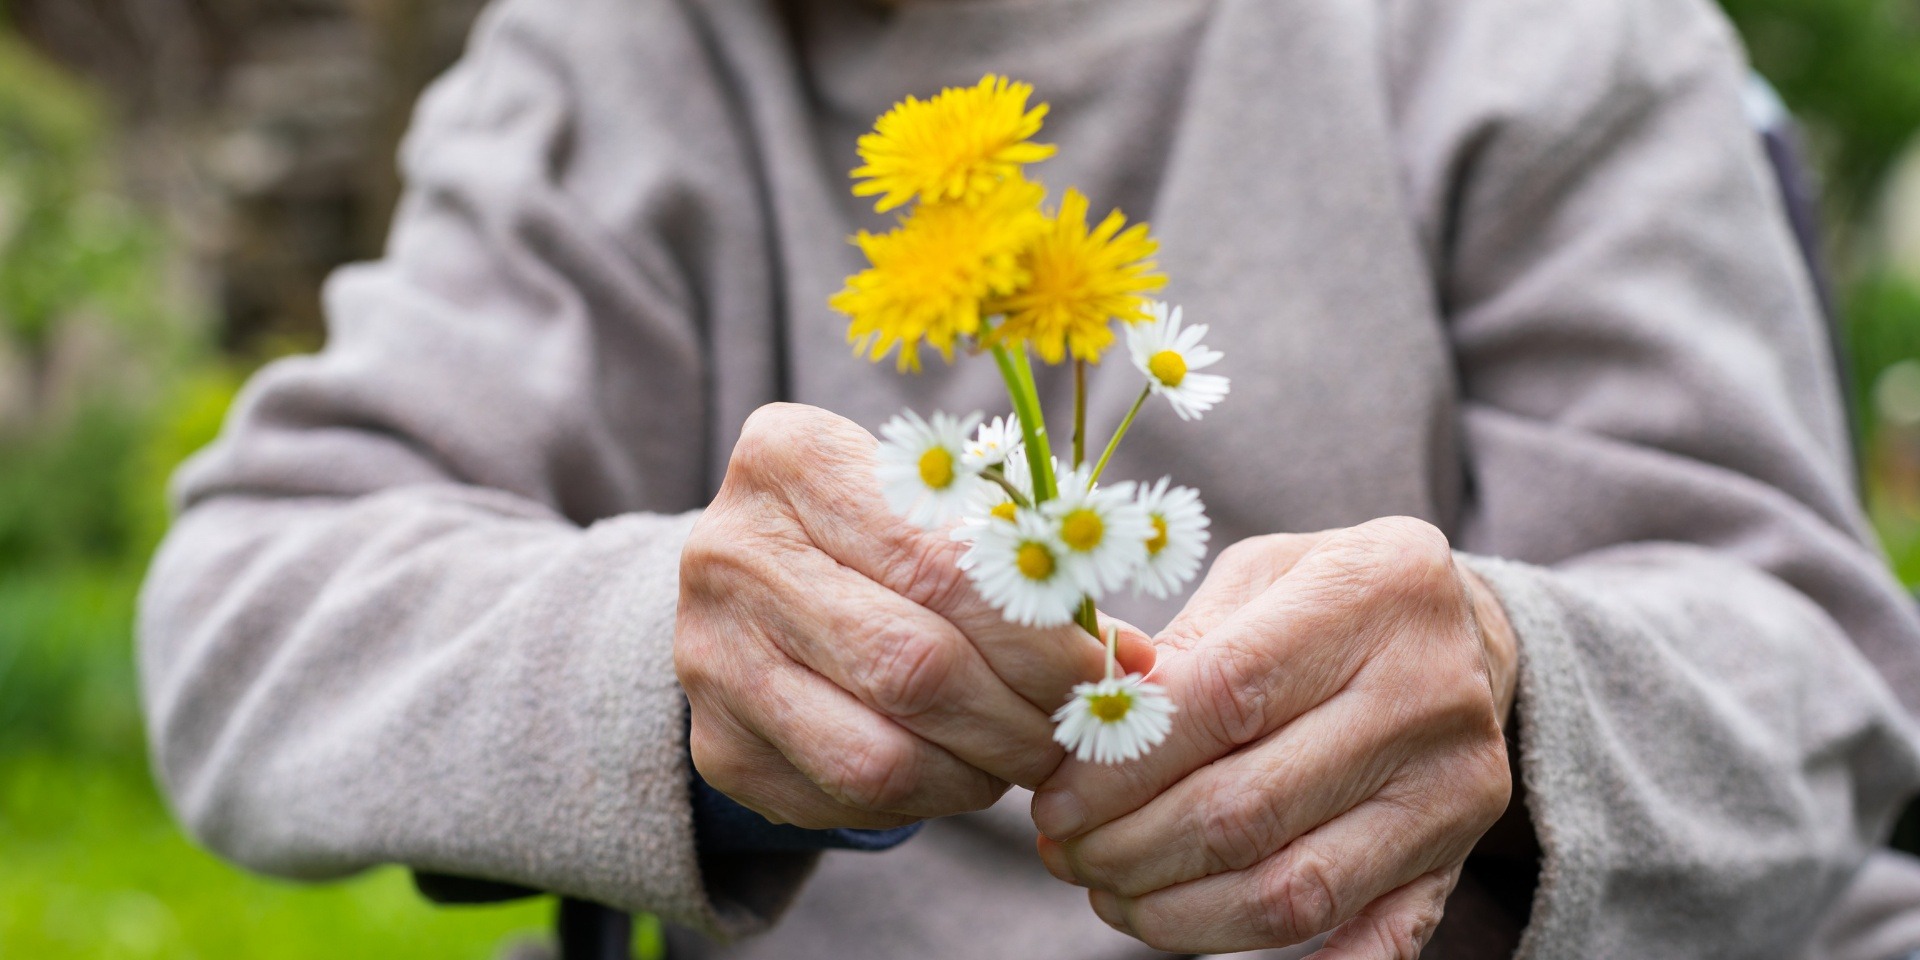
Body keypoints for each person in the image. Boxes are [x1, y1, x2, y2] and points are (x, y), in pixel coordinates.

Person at [136, 0, 1920, 956]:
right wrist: (668, 669)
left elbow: (1819, 676)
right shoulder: (609, 65)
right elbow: (249, 609)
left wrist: (1523, 708)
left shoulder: (1548, 42)